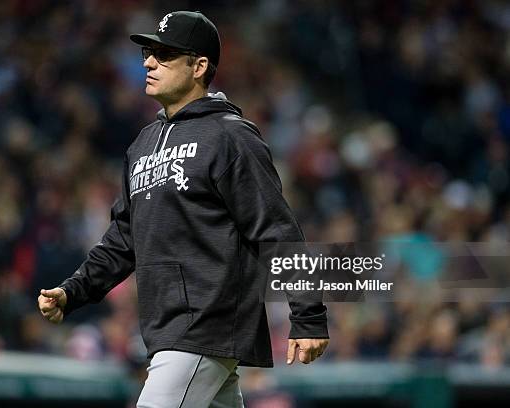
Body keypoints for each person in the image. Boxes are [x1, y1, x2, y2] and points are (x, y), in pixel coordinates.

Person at [38, 10, 329, 407]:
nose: (148, 62)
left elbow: (276, 231)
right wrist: (74, 291)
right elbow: (123, 239)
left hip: (203, 326)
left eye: (164, 54)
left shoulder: (230, 136)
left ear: (199, 65)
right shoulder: (142, 144)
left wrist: (308, 316)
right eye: (147, 53)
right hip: (169, 330)